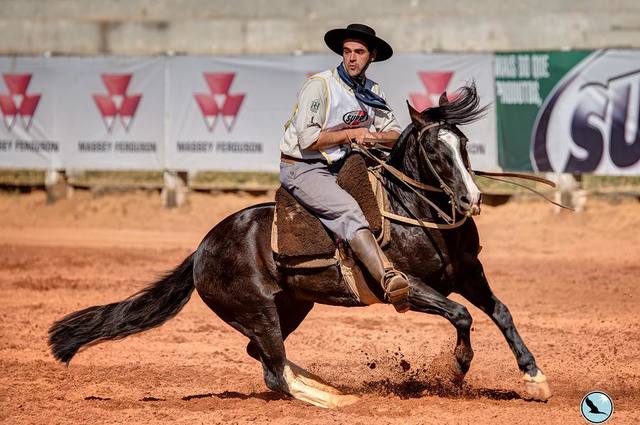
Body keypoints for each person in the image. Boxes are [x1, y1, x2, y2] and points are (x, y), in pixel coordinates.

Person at [279, 23, 410, 313]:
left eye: (359, 52)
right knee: (349, 210)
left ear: (372, 56)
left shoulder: (373, 90)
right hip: (304, 167)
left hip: (344, 163)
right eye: (347, 51)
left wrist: (373, 136)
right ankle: (387, 277)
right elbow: (308, 138)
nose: (352, 58)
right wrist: (353, 135)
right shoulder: (320, 85)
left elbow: (395, 134)